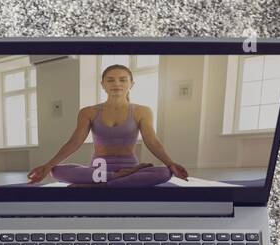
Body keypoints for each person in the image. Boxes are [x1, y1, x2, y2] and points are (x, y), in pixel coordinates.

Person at [26, 63, 188, 188]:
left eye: (123, 79)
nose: (116, 83)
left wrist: (171, 163)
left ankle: (101, 185)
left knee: (164, 172)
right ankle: (119, 180)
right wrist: (48, 166)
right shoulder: (88, 112)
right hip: (99, 168)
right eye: (110, 80)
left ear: (131, 83)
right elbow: (74, 142)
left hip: (128, 165)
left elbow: (152, 142)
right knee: (57, 171)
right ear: (102, 84)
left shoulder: (142, 111)